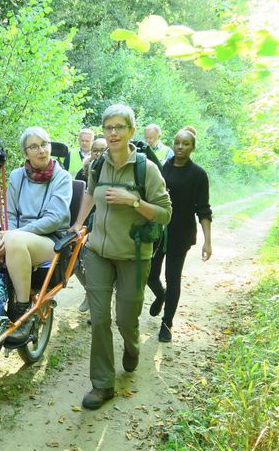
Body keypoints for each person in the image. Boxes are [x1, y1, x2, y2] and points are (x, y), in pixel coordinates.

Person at [71, 104, 172, 410]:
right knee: (99, 318)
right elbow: (90, 193)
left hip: (133, 256)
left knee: (125, 318)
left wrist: (135, 201)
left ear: (131, 130)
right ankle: (102, 384)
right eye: (108, 127)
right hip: (99, 252)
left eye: (119, 127)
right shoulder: (98, 164)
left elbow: (165, 213)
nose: (112, 133)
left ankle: (132, 344)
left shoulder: (146, 169)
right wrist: (78, 223)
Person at [0, 127, 72, 342]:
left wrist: (12, 235)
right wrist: (7, 234)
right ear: (25, 153)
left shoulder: (62, 177)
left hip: (49, 239)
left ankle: (22, 311)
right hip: (17, 235)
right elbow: (9, 213)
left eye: (45, 144)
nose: (41, 150)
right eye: (34, 147)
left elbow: (55, 219)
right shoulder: (17, 176)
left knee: (16, 241)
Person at [147, 126, 212, 343]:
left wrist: (207, 242)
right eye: (177, 143)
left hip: (181, 233)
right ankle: (161, 295)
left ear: (193, 147)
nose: (180, 147)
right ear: (172, 144)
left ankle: (167, 324)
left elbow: (203, 209)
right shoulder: (165, 167)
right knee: (150, 275)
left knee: (172, 278)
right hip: (159, 231)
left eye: (185, 144)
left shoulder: (198, 174)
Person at [75, 137, 107, 312]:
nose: (98, 153)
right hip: (84, 224)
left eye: (103, 149)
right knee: (76, 263)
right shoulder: (83, 172)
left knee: (98, 266)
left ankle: (98, 303)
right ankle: (89, 291)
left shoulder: (112, 172)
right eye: (95, 150)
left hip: (104, 226)